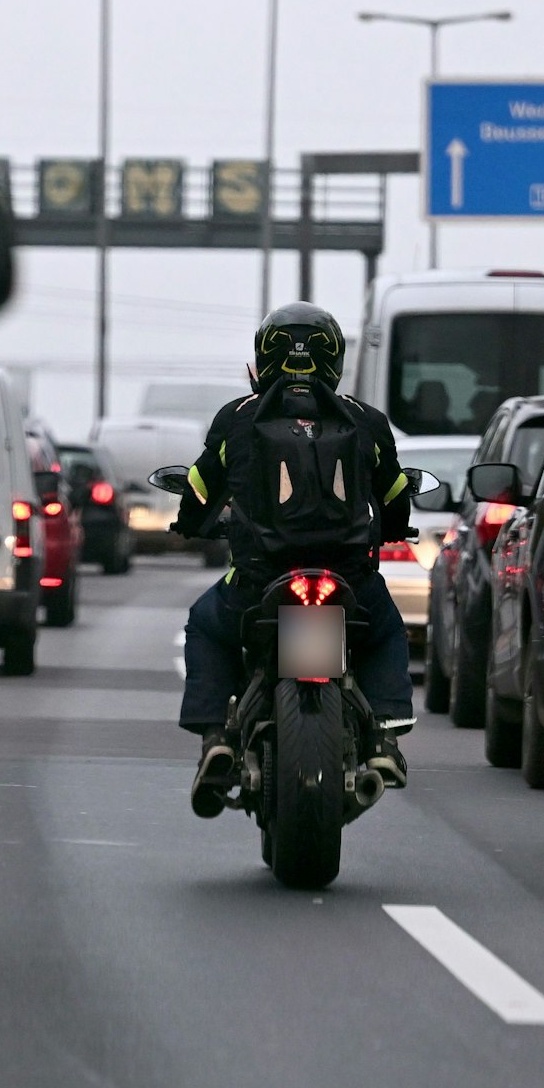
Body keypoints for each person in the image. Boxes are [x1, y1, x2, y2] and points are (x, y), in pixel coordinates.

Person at [172, 303, 416, 818]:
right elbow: (395, 493)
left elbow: (199, 489)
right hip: (349, 580)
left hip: (257, 581)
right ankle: (384, 737)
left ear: (263, 358)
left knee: (206, 625)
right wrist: (394, 529)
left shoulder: (237, 418)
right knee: (386, 631)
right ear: (335, 360)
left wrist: (189, 524)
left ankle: (216, 737)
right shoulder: (366, 420)